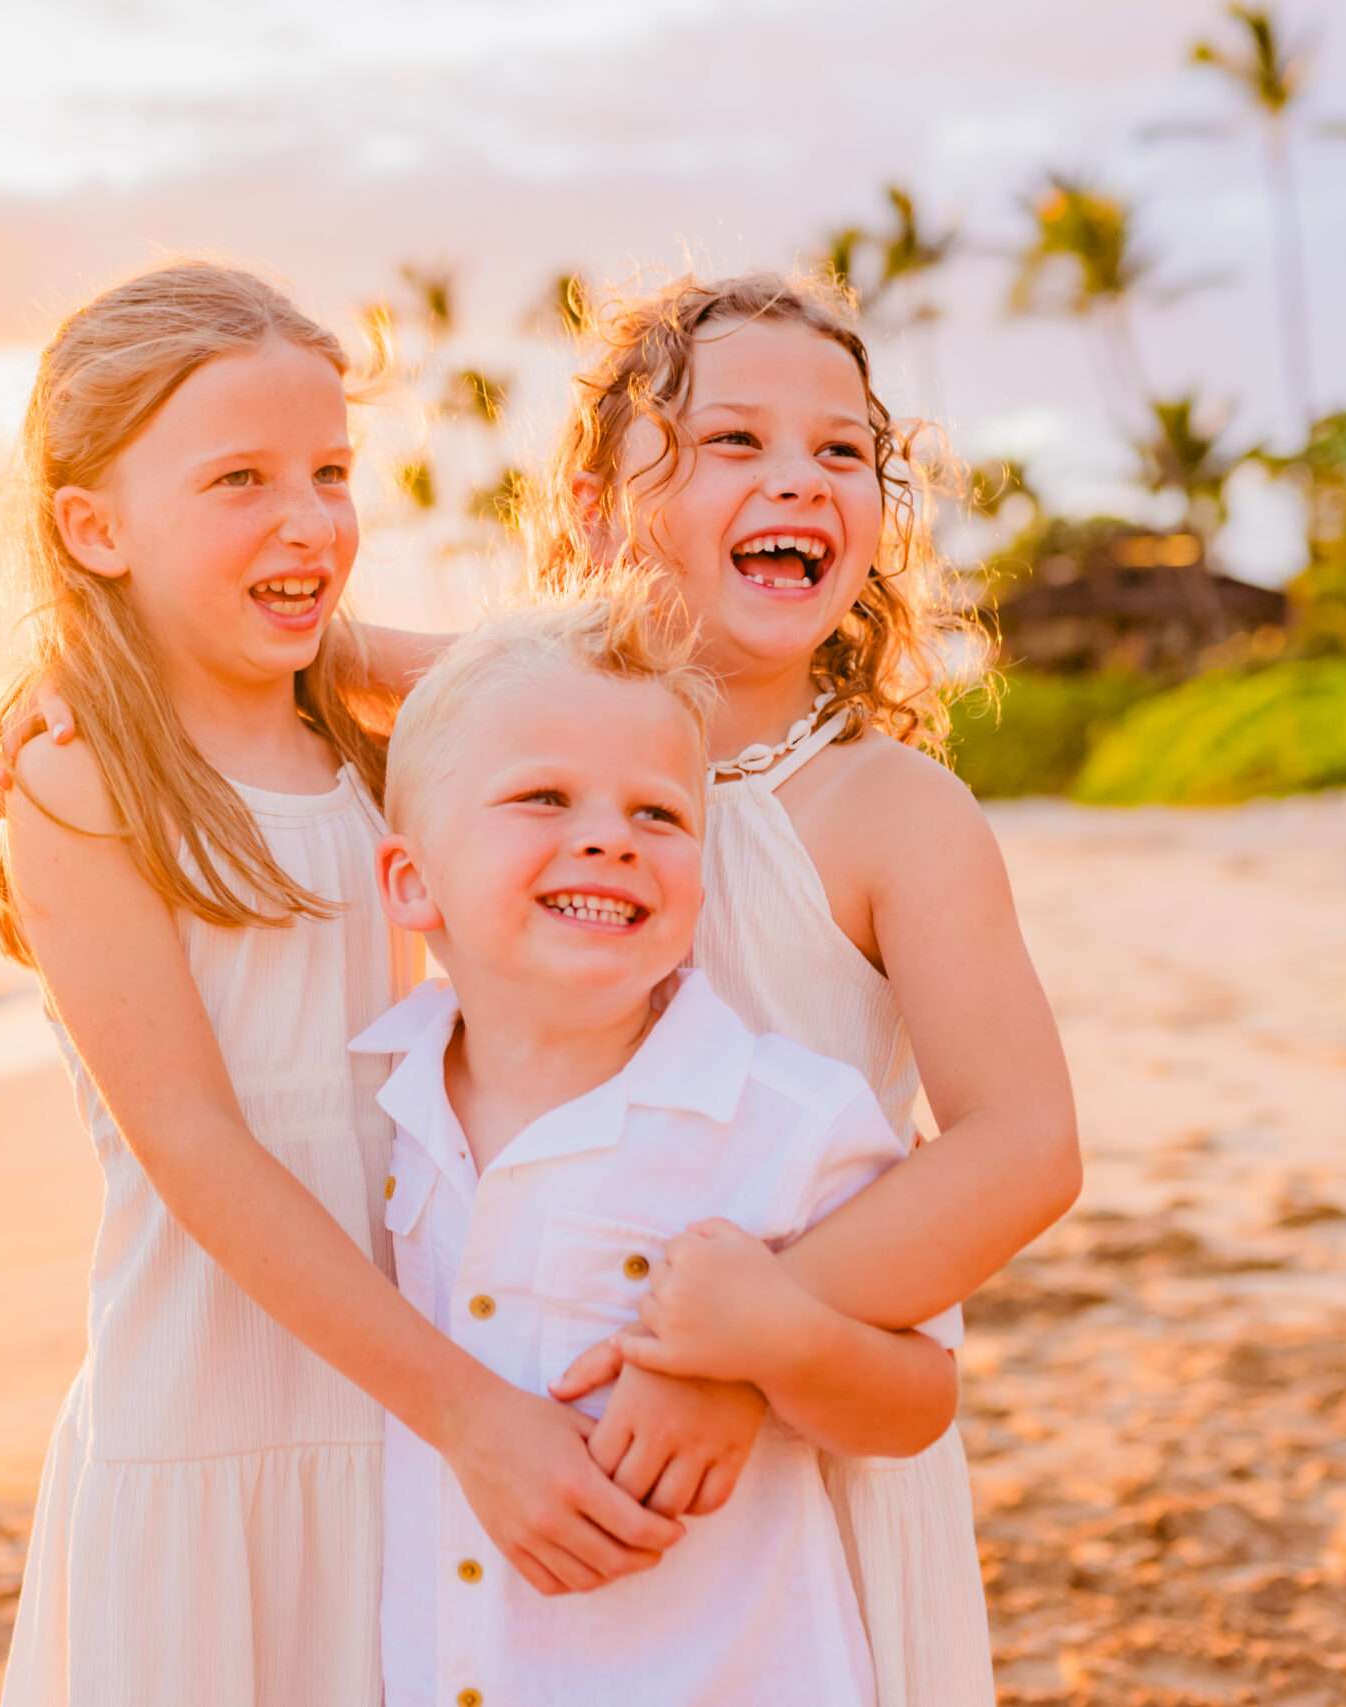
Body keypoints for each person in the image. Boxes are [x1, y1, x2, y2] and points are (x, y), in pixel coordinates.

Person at [0, 260, 753, 1707]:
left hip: (405, 1391)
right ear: (93, 525)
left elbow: (570, 685)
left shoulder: (353, 728)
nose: (309, 520)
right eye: (240, 480)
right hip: (221, 1409)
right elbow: (199, 1150)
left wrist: (327, 641)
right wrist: (470, 1416)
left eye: (330, 472)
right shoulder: (82, 773)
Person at [533, 270, 1083, 1705]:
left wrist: (739, 1341)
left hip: (810, 1404)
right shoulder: (508, 771)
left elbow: (1024, 1144)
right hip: (551, 1421)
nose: (802, 479)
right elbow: (298, 687)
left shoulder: (893, 811)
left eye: (843, 450)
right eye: (734, 443)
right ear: (597, 508)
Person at [352, 594, 964, 1706]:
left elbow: (919, 1400)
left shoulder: (783, 1119)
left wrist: (773, 1338)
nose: (605, 838)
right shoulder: (380, 1109)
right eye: (543, 798)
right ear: (410, 884)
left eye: (658, 814)